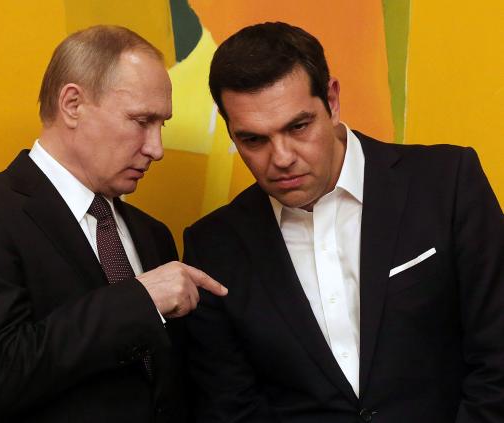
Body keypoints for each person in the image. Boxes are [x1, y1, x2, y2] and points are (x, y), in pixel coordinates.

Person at [183, 22, 504, 422]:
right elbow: (231, 406)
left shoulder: (446, 182)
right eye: (253, 140)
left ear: (332, 100)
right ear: (229, 129)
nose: (281, 158)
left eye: (298, 127)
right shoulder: (213, 247)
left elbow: (497, 354)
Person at [0, 25, 227, 423]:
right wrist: (138, 301)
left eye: (161, 124)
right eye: (141, 120)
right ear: (72, 104)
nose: (156, 148)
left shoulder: (153, 234)